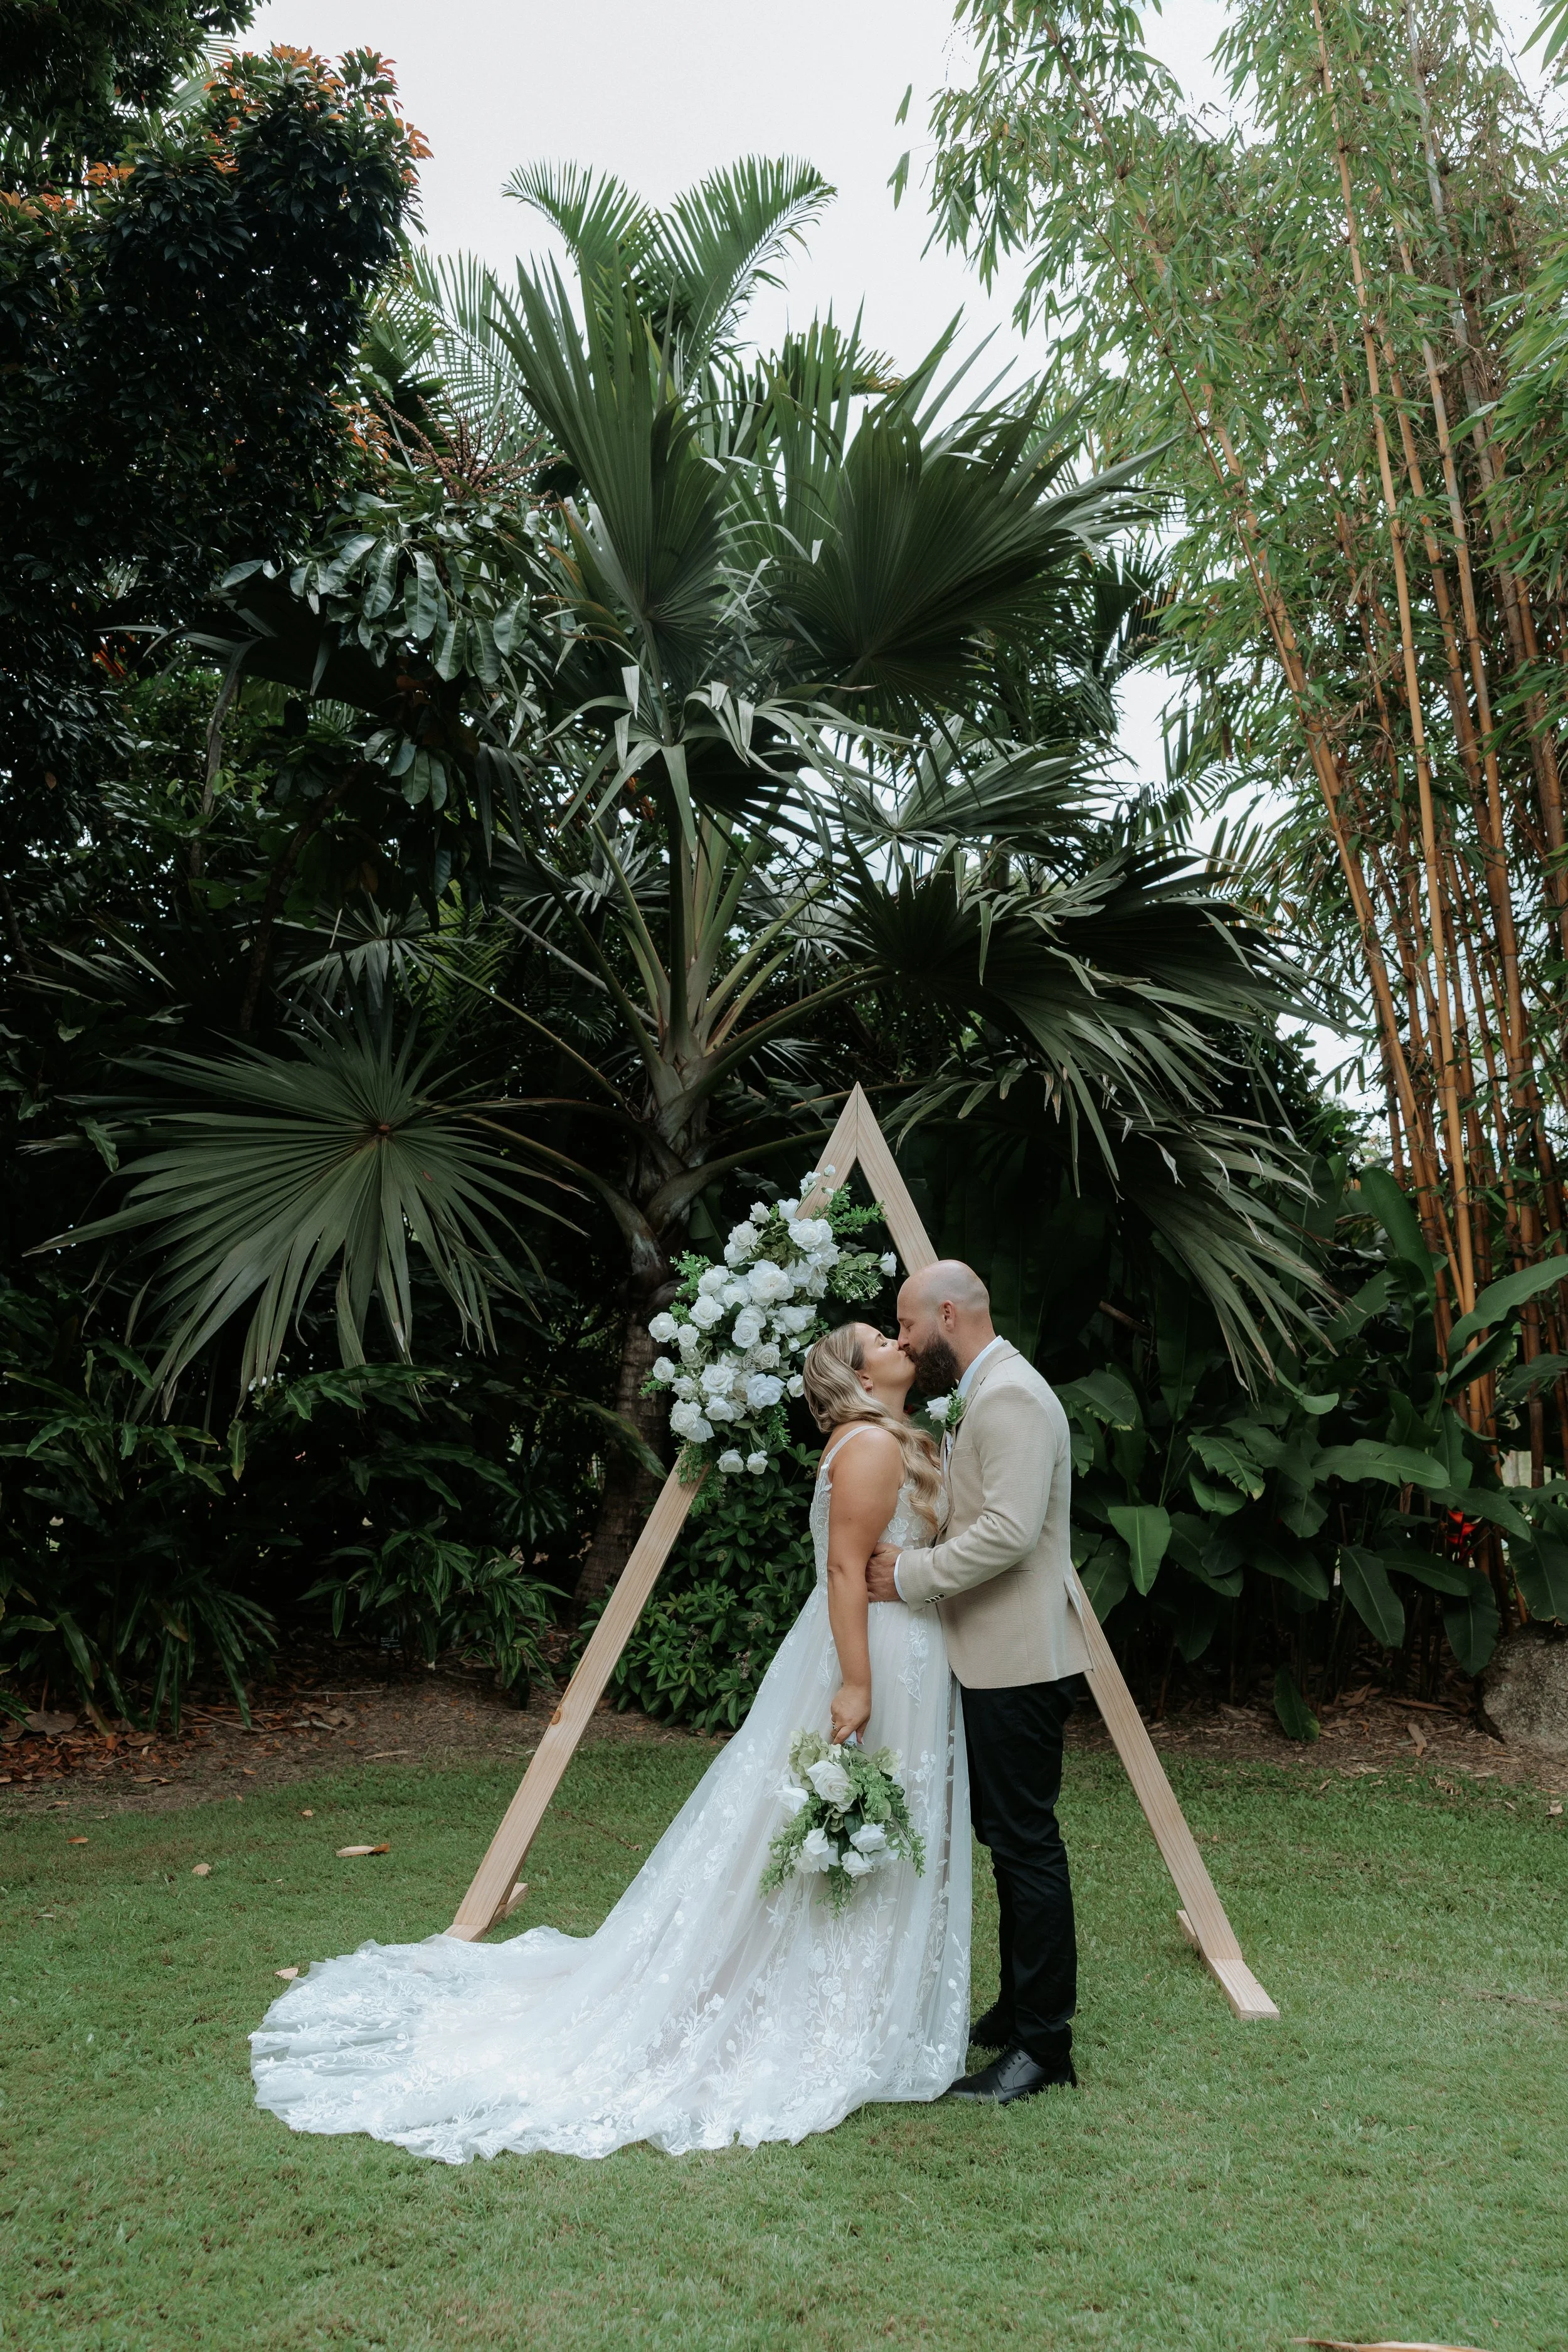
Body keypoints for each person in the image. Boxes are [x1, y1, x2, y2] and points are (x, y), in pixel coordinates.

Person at [250, 1320, 970, 2163]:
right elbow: (847, 1570)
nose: (895, 1339)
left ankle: (850, 1991)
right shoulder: (870, 1448)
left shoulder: (891, 1439)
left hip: (896, 1647)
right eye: (877, 1338)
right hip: (869, 1649)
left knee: (846, 1822)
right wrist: (857, 1681)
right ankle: (823, 1999)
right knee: (839, 1814)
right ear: (854, 1373)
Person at [867, 1259, 1089, 2106]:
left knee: (1028, 1842)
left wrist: (913, 1574)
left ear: (948, 1313)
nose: (904, 1339)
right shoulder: (981, 1391)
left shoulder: (1012, 1397)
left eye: (908, 1324)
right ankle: (1018, 2003)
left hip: (1019, 1660)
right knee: (1005, 1836)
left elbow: (1009, 1530)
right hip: (988, 1655)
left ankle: (1043, 2046)